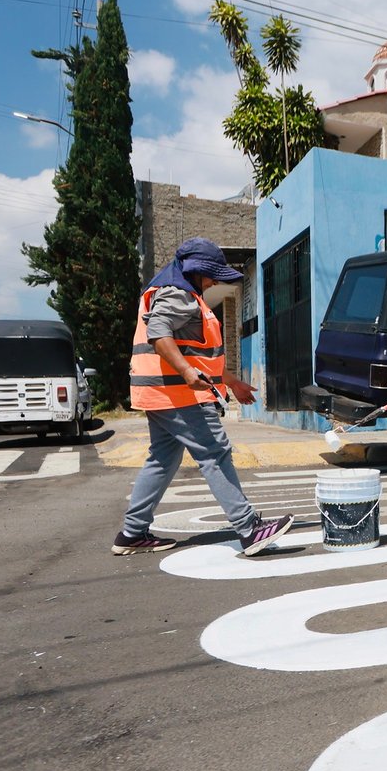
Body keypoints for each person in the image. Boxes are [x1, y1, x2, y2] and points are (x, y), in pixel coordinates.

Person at [112, 237, 293, 557]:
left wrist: (231, 381)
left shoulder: (170, 289)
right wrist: (185, 373)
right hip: (178, 393)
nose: (213, 281)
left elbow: (193, 352)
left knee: (163, 458)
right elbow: (159, 333)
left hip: (158, 392)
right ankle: (249, 529)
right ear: (195, 270)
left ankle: (132, 532)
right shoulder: (178, 293)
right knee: (215, 452)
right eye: (211, 274)